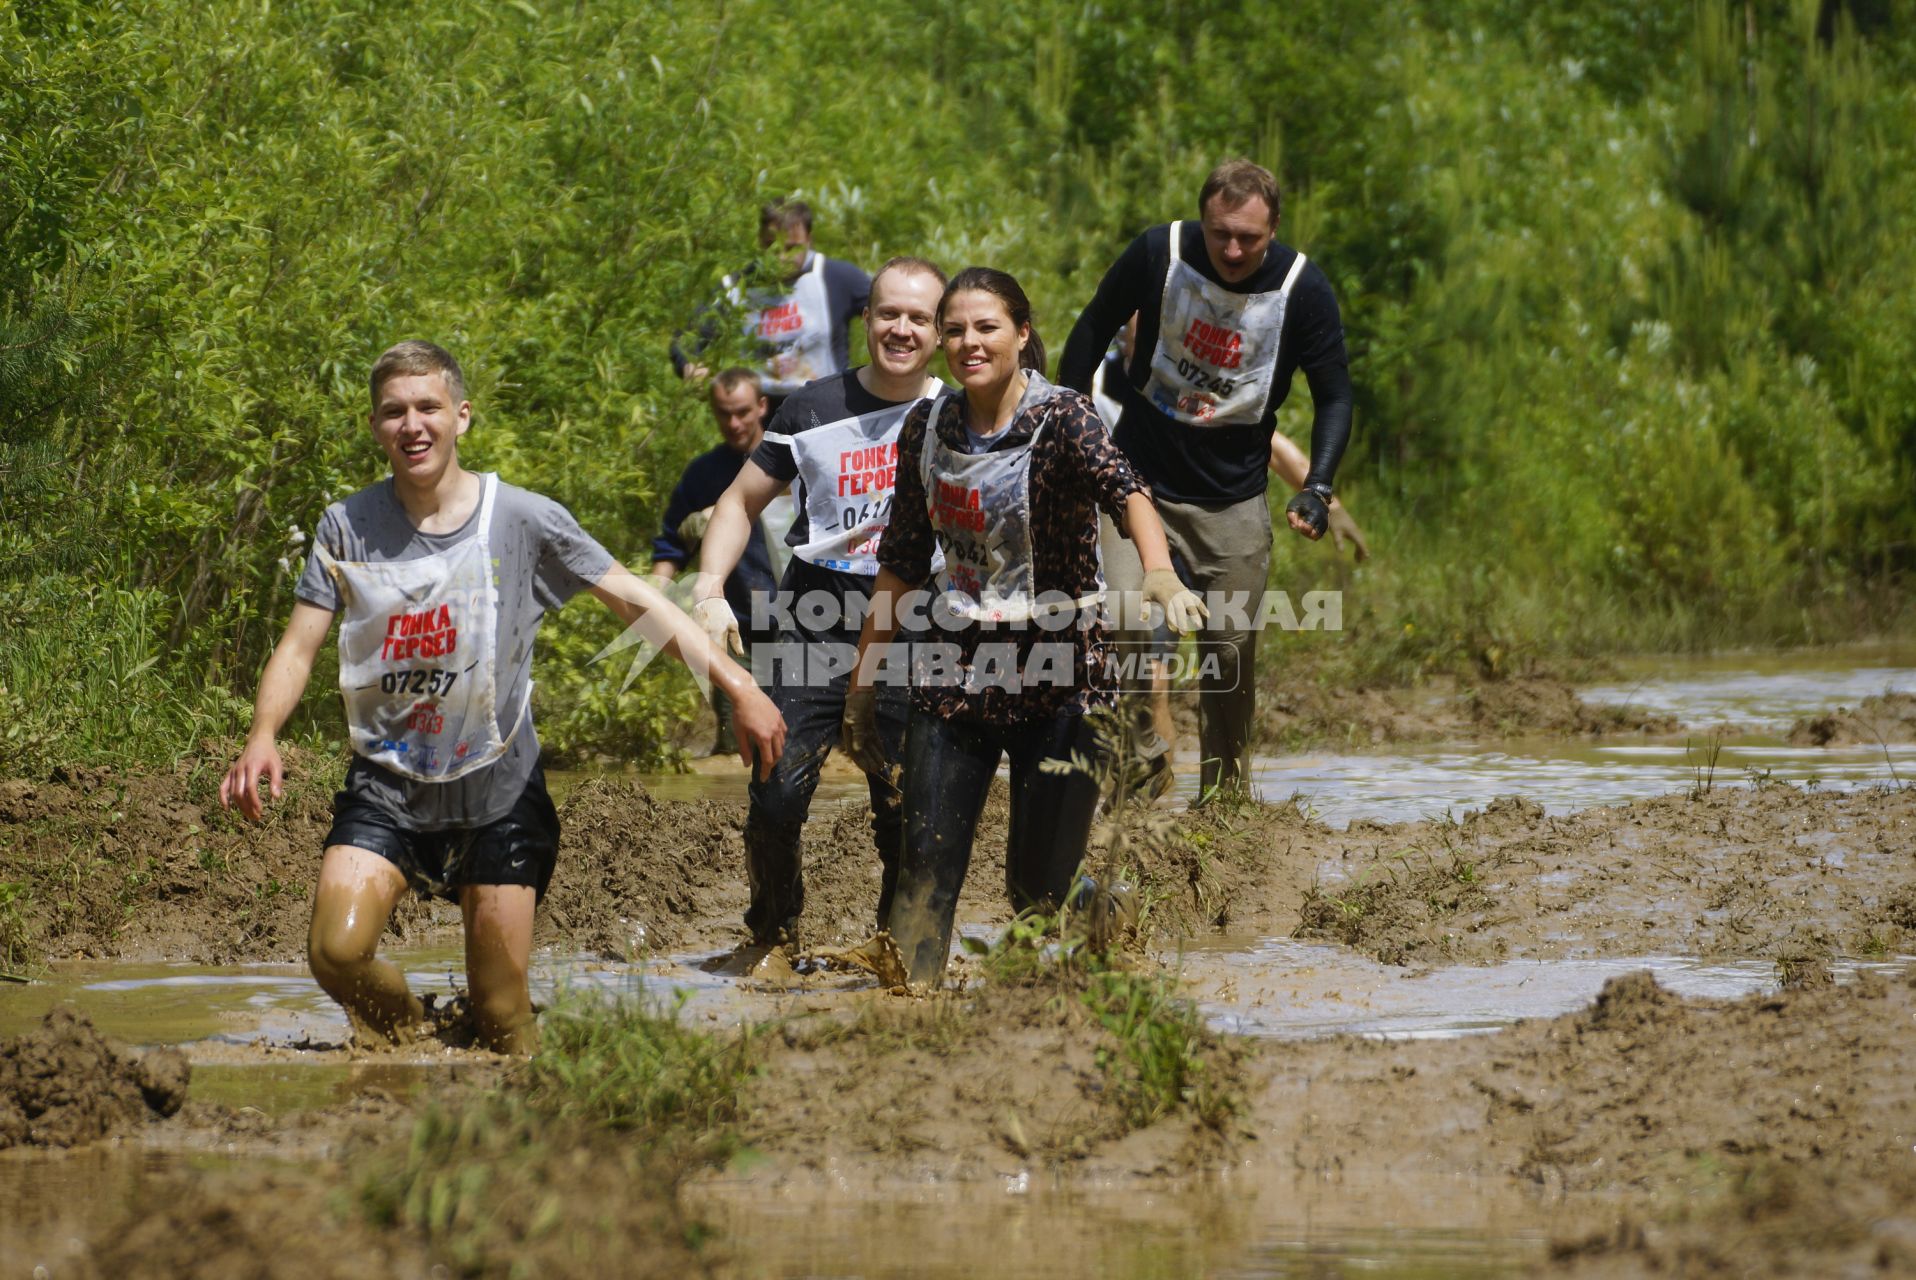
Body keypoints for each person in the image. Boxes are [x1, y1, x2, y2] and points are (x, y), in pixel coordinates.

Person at [219, 341, 786, 1054]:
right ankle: (407, 1040)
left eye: (428, 407)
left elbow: (635, 598)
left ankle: (533, 1112)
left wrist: (737, 685)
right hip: (387, 782)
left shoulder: (521, 518)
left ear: (461, 417)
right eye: (394, 412)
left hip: (498, 786)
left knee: (499, 1014)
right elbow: (300, 644)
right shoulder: (347, 526)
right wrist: (262, 733)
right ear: (375, 427)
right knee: (335, 954)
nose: (412, 425)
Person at [848, 268, 1204, 985]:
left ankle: (1106, 915)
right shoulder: (926, 423)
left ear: (1021, 332)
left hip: (1060, 676)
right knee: (925, 868)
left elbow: (1127, 491)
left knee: (1035, 891)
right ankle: (907, 1022)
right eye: (955, 330)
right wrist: (862, 684)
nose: (967, 343)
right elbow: (902, 559)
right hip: (954, 670)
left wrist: (1158, 570)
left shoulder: (1065, 417)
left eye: (985, 328)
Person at [1059, 158, 1354, 796]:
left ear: (1273, 229)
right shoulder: (1157, 253)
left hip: (1233, 498)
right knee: (1127, 618)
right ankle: (1144, 761)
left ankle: (1225, 800)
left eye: (1249, 236)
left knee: (1227, 654)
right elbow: (1089, 330)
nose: (1233, 248)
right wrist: (1072, 435)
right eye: (1221, 232)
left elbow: (1334, 395)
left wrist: (1319, 485)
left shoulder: (1303, 288)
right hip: (1137, 484)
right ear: (1203, 219)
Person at [690, 257, 948, 946]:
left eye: (918, 318)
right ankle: (773, 935)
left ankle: (896, 947)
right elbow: (740, 501)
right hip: (812, 621)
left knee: (903, 808)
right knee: (775, 796)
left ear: (941, 332)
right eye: (888, 313)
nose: (901, 328)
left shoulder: (955, 412)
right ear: (865, 319)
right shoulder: (809, 405)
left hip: (912, 629)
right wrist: (710, 588)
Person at [650, 368, 785, 756]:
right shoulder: (703, 473)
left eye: (742, 411)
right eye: (723, 414)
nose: (734, 423)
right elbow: (672, 545)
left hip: (802, 625)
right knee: (738, 747)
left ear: (762, 406)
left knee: (804, 738)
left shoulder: (792, 461)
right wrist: (652, 598)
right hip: (735, 630)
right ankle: (730, 816)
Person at [670, 198, 872, 409]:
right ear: (759, 240)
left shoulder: (835, 277)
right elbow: (684, 342)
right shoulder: (735, 288)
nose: (781, 258)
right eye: (771, 246)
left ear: (809, 240)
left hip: (825, 409)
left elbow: (890, 307)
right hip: (759, 418)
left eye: (792, 248)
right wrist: (690, 366)